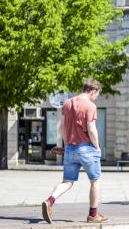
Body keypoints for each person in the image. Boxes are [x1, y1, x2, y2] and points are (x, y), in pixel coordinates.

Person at [42, 78, 108, 224]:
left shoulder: (67, 103)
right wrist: (97, 146)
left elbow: (62, 128)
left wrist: (66, 146)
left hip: (70, 148)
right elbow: (91, 129)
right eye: (97, 94)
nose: (96, 97)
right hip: (86, 148)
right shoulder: (90, 106)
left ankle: (50, 200)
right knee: (95, 181)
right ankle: (93, 215)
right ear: (93, 91)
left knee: (67, 181)